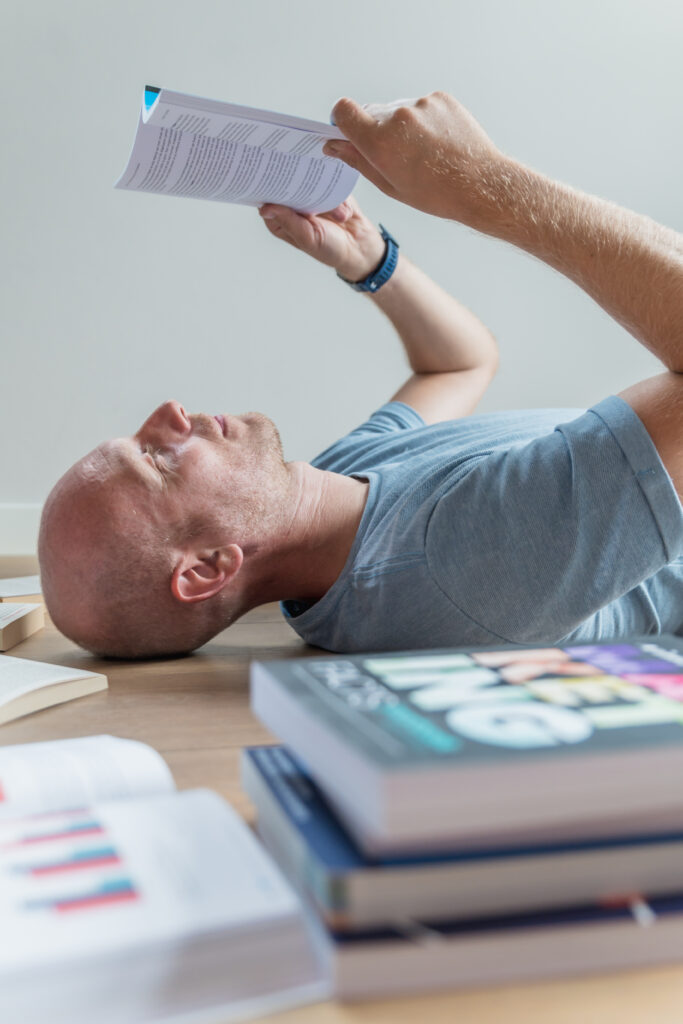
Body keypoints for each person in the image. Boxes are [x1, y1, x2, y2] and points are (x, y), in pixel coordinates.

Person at [39, 92, 682, 658]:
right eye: (156, 460)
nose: (169, 412)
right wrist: (483, 187)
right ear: (209, 567)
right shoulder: (453, 563)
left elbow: (460, 363)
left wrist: (370, 262)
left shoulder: (337, 497)